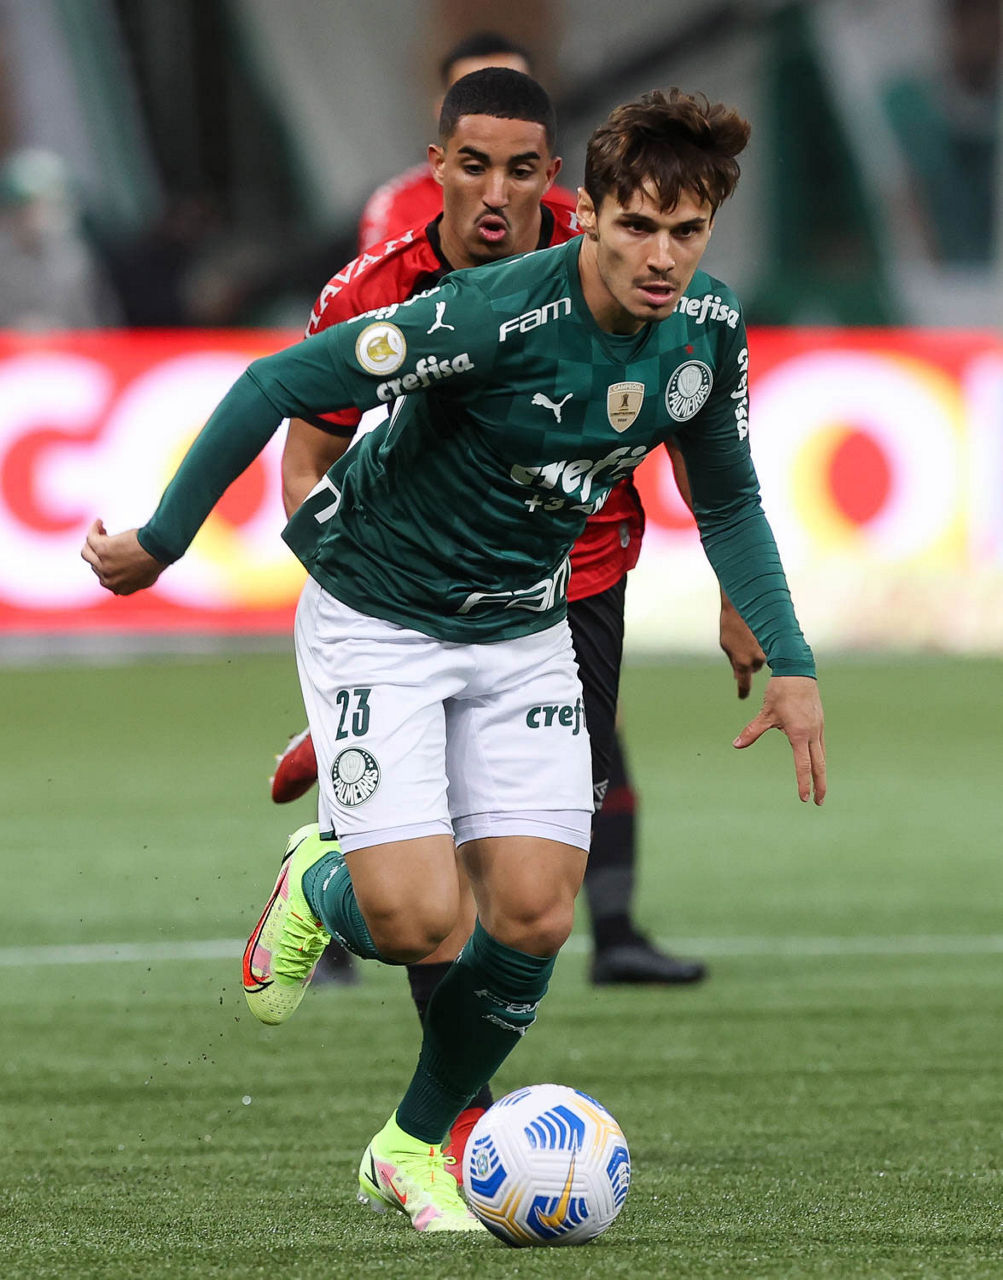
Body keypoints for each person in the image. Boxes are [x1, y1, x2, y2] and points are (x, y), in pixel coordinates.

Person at [82, 84, 826, 1236]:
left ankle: (408, 1145)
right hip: (378, 613)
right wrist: (161, 542)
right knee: (418, 923)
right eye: (636, 225)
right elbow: (275, 382)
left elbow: (726, 497)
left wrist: (792, 659)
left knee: (532, 912)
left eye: (686, 231)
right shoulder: (484, 315)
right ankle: (320, 881)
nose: (661, 256)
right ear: (589, 216)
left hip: (521, 630)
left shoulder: (706, 330)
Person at [357, 30, 578, 251]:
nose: (497, 115)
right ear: (443, 112)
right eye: (476, 99)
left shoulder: (573, 217)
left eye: (514, 98)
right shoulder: (397, 209)